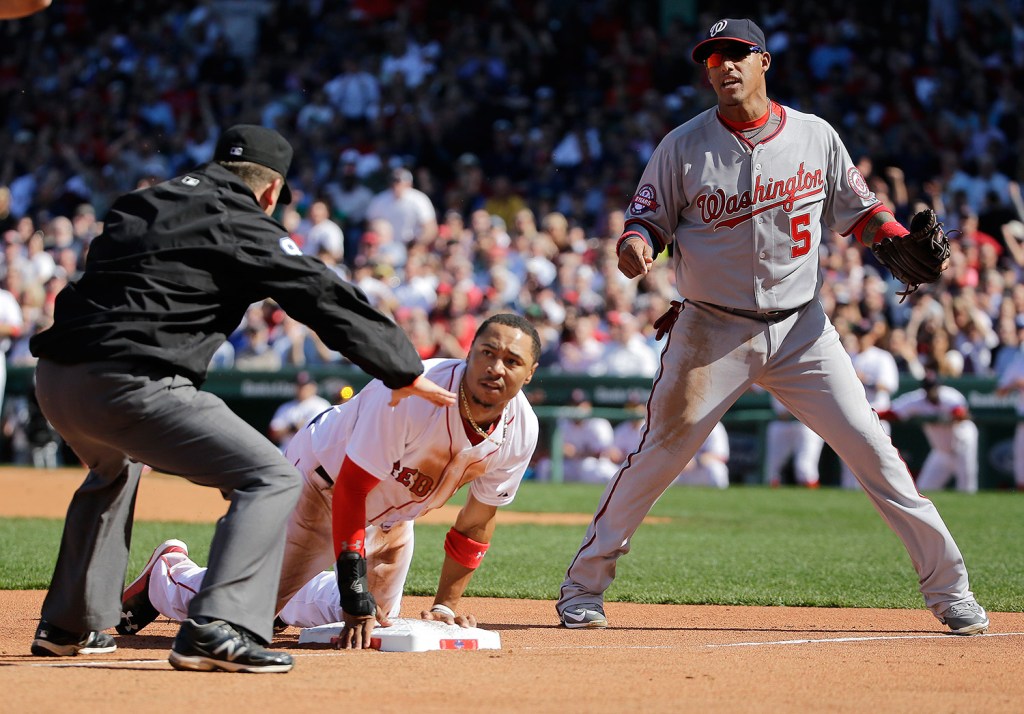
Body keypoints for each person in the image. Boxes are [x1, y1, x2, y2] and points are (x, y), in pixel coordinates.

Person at [556, 18, 988, 636]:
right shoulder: (682, 145)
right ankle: (582, 589)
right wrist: (635, 244)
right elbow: (646, 219)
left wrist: (895, 236)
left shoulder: (815, 136)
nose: (724, 65)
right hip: (711, 330)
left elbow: (863, 213)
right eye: (713, 58)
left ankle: (951, 592)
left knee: (875, 453)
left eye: (737, 53)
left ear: (764, 61)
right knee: (655, 458)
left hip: (801, 330)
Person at [26, 124, 456, 672]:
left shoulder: (142, 202)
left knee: (114, 469)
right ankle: (217, 627)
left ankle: (67, 625)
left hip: (56, 379)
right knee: (270, 477)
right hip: (133, 381)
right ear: (271, 190)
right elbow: (319, 291)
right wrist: (401, 367)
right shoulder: (240, 218)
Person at [117, 314, 539, 647]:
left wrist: (445, 607)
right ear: (469, 351)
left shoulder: (521, 428)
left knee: (378, 622)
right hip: (323, 487)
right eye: (487, 352)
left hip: (392, 516)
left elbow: (477, 521)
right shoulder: (414, 394)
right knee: (244, 618)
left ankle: (286, 595)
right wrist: (353, 591)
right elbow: (352, 487)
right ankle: (168, 575)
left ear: (531, 373)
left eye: (512, 361)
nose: (495, 367)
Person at [878, 373, 978, 494]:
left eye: (934, 387)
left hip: (962, 445)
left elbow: (960, 412)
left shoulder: (950, 395)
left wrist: (951, 417)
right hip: (941, 451)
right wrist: (872, 414)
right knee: (924, 488)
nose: (931, 391)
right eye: (928, 388)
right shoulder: (917, 400)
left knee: (967, 487)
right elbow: (893, 413)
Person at [763, 396, 824, 488]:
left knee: (805, 468)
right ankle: (772, 494)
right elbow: (754, 389)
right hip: (781, 422)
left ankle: (811, 495)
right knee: (772, 469)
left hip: (807, 424)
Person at [267, 371, 332, 452]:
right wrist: (293, 427)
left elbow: (317, 432)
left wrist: (289, 429)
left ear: (313, 387)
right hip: (286, 451)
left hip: (310, 453)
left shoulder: (321, 405)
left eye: (304, 386)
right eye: (298, 385)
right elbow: (273, 433)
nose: (301, 389)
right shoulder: (286, 407)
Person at [995, 346, 1024, 490]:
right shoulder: (1018, 362)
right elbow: (1000, 391)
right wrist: (1014, 384)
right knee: (1020, 456)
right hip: (1022, 417)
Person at [673, 421, 730, 489]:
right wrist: (680, 461)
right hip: (683, 472)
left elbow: (721, 456)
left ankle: (719, 493)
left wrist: (696, 460)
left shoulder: (715, 426)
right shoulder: (680, 424)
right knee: (668, 470)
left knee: (717, 469)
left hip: (703, 471)